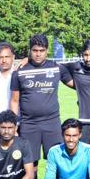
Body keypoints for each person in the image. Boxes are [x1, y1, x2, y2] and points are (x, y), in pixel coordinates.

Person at [10, 34, 71, 166]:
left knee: (57, 161)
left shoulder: (56, 68)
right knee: (30, 164)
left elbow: (76, 84)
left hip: (52, 122)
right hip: (29, 124)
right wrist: (14, 126)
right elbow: (14, 101)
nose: (38, 54)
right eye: (35, 50)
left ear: (47, 51)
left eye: (41, 51)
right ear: (30, 50)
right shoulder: (19, 72)